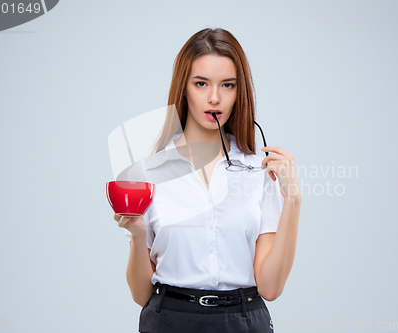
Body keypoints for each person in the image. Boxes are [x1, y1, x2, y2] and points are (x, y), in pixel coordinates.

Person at [113, 27, 301, 333]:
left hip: (243, 321)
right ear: (183, 87)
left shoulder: (260, 171)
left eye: (228, 85)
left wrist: (293, 199)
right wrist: (137, 235)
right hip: (169, 320)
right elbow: (141, 295)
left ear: (240, 92)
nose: (215, 98)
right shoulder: (149, 173)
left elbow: (270, 288)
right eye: (201, 83)